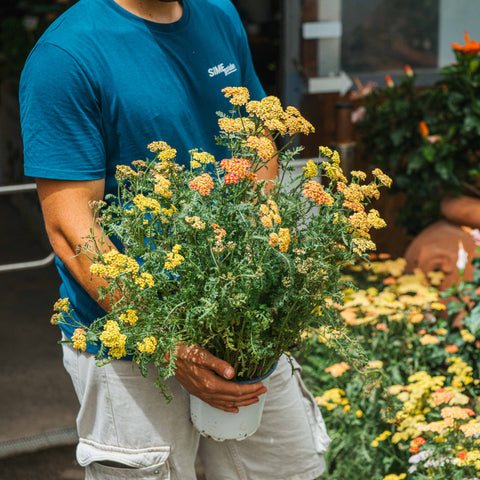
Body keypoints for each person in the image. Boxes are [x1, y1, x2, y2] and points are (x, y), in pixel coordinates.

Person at [20, 0, 331, 478]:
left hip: (239, 323)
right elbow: (71, 228)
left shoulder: (218, 14)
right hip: (129, 338)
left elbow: (256, 139)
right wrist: (167, 341)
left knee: (291, 469)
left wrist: (258, 256)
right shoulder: (66, 55)